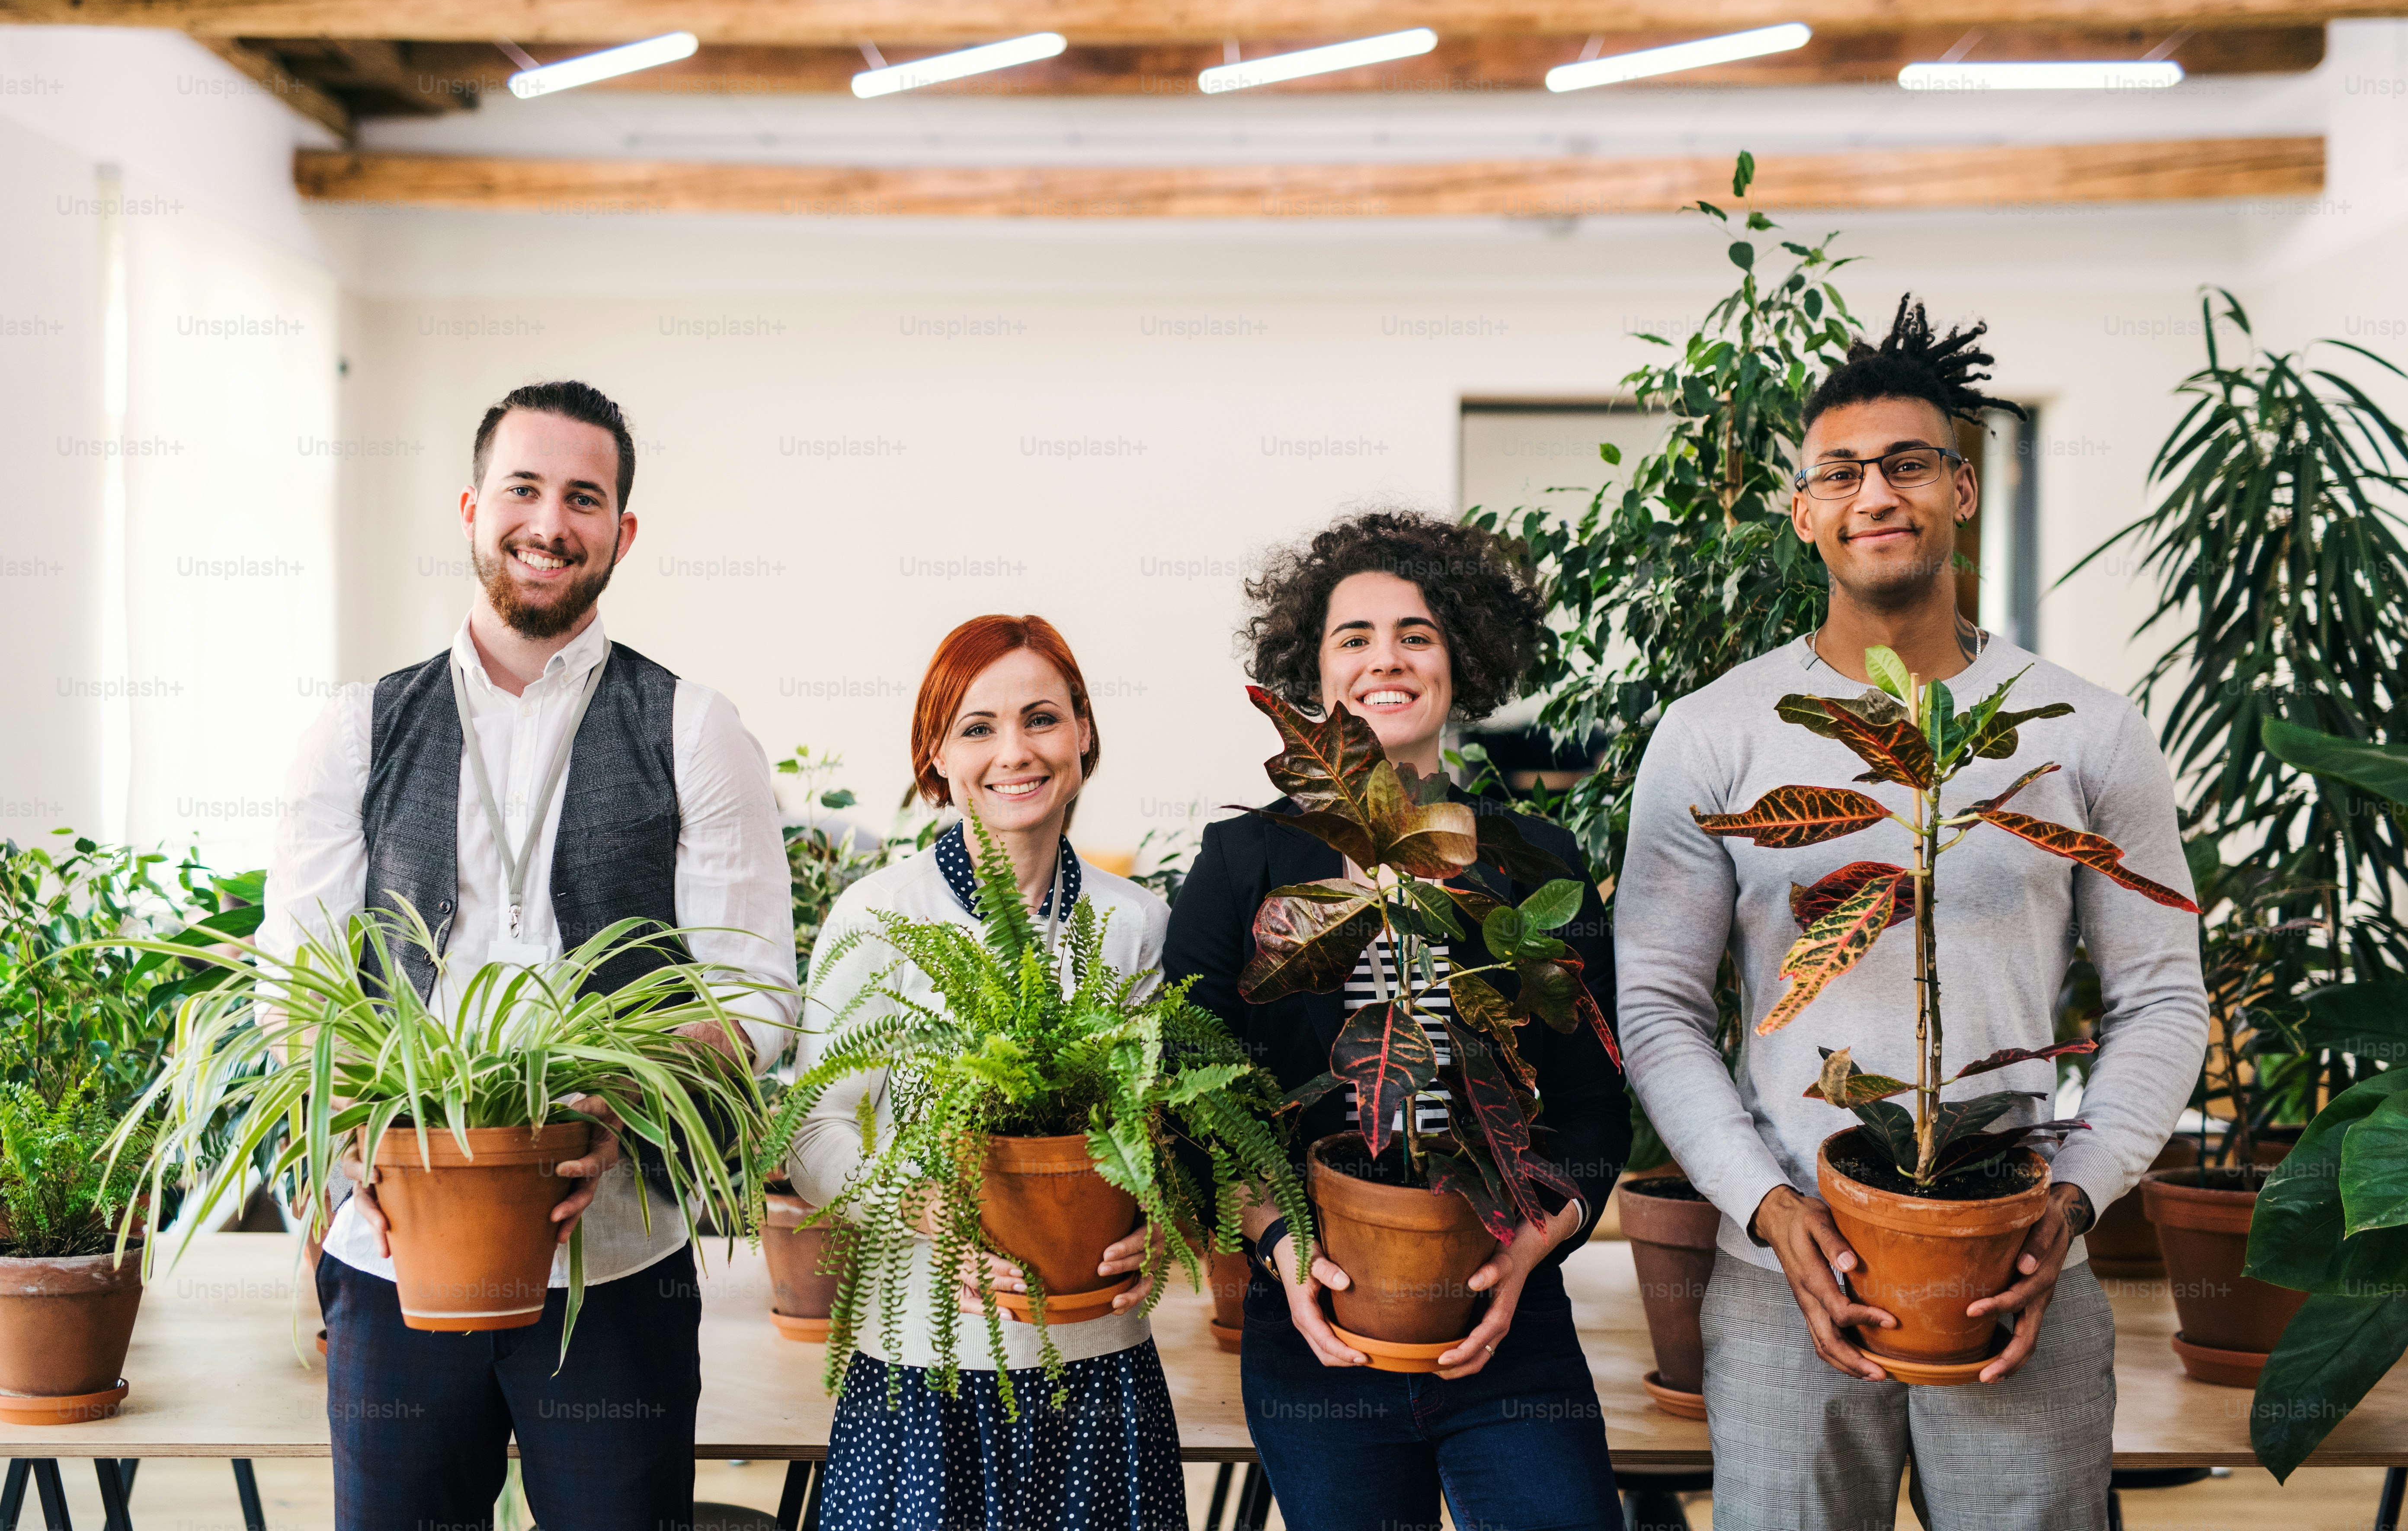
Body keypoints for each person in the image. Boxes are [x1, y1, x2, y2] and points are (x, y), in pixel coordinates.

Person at [1615, 300, 2210, 1530]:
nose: (1874, 492)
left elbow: (2162, 995)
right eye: (1839, 471)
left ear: (1963, 489)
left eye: (1907, 464)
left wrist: (2076, 1196)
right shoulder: (1715, 732)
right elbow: (1660, 1008)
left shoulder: (2081, 729)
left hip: (2016, 1273)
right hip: (1785, 1273)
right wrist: (1769, 1210)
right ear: (1802, 510)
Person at [263, 380, 799, 1531]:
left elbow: (754, 997)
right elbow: (294, 985)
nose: (550, 522)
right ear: (470, 508)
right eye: (524, 488)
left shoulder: (695, 728)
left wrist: (615, 1103)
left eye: (585, 498)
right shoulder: (355, 729)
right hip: (392, 1256)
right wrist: (357, 1127)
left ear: (623, 532)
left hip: (614, 1267)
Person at [1164, 510, 1629, 1531]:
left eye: (1417, 634)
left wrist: (1525, 1256)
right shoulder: (1244, 863)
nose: (1389, 659)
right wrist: (1283, 1245)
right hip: (1317, 1327)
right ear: (1313, 672)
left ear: (1461, 658)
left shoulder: (1536, 860)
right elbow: (1194, 1088)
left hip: (1511, 1321)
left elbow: (1597, 1114)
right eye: (1355, 637)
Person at [791, 614, 1187, 1531]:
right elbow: (813, 1130)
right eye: (977, 726)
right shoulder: (880, 912)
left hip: (1099, 1365)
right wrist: (926, 1206)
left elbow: (1172, 1125)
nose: (1015, 751)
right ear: (936, 755)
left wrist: (1168, 1212)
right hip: (922, 1377)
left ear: (1083, 733)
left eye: (1042, 718)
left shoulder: (1137, 923)